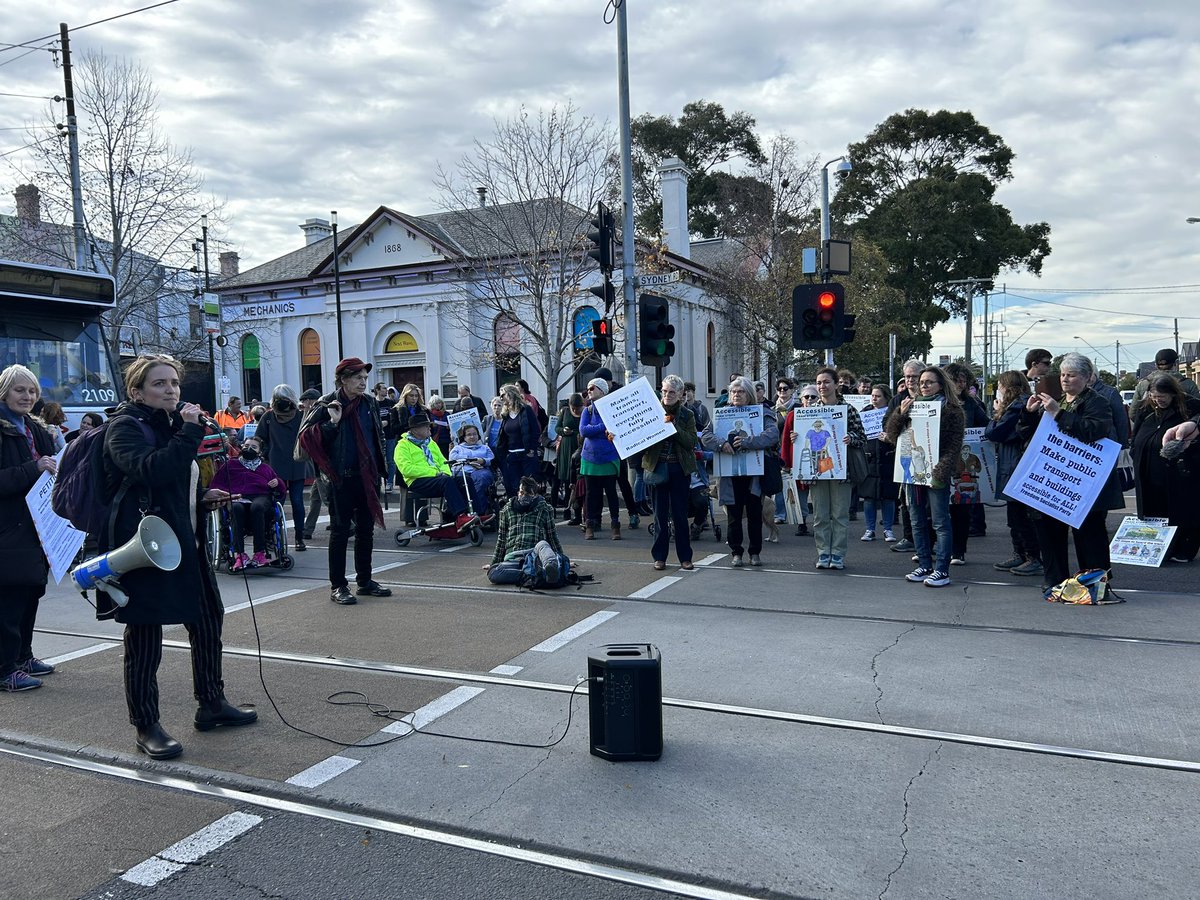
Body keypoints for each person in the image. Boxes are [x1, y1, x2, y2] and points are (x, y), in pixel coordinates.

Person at [98, 354, 257, 758]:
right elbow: (152, 471)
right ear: (137, 391)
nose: (171, 390)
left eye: (174, 383)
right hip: (144, 550)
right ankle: (146, 725)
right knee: (145, 639)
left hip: (185, 544)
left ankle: (211, 703)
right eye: (160, 384)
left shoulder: (171, 426)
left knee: (207, 621)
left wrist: (201, 499)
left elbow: (171, 485)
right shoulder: (123, 428)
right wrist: (187, 432)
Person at [1016, 352, 1123, 591]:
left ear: (1087, 378)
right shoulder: (1058, 400)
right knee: (1049, 530)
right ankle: (1055, 581)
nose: (1065, 380)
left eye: (1071, 375)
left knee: (1090, 535)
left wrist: (1058, 413)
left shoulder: (1097, 401)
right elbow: (1031, 436)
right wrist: (1029, 414)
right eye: (1063, 374)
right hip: (1056, 480)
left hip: (1084, 482)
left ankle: (1095, 585)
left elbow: (1093, 431)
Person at [298, 357, 391, 606]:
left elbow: (376, 437)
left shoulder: (369, 402)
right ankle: (338, 585)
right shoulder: (327, 403)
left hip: (367, 476)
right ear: (343, 379)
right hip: (339, 478)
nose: (363, 383)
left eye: (365, 378)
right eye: (358, 378)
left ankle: (365, 581)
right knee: (339, 533)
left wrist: (381, 469)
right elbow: (306, 440)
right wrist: (332, 423)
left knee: (365, 531)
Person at [0, 365, 58, 692]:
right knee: (8, 599)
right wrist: (32, 468)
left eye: (32, 391)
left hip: (38, 526)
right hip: (9, 527)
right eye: (19, 390)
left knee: (31, 592)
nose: (27, 396)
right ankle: (5, 668)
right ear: (4, 392)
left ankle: (23, 656)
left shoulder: (36, 429)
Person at [886, 365, 965, 588]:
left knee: (940, 522)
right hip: (913, 472)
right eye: (922, 383)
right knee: (917, 520)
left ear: (941, 385)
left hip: (936, 472)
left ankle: (942, 569)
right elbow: (893, 436)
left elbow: (954, 445)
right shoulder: (911, 406)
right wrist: (900, 414)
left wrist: (942, 469)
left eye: (929, 382)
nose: (924, 386)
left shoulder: (951, 409)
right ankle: (924, 564)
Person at [702, 375, 779, 567]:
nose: (736, 395)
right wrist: (722, 444)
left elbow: (772, 435)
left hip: (753, 475)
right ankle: (736, 552)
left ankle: (755, 553)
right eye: (733, 392)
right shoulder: (722, 413)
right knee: (734, 516)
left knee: (754, 515)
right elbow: (706, 436)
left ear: (749, 394)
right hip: (730, 475)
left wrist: (748, 442)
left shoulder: (763, 412)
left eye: (741, 391)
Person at [800, 368, 865, 570]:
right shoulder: (809, 411)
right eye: (819, 382)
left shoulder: (849, 410)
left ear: (837, 384)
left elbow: (862, 438)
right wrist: (796, 438)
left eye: (826, 382)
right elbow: (802, 439)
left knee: (839, 515)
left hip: (841, 470)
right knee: (820, 515)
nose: (822, 386)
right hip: (816, 470)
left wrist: (850, 438)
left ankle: (837, 554)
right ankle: (823, 553)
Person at [1131, 374, 1200, 562]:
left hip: (1180, 469)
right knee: (1155, 507)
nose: (1157, 400)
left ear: (1172, 393)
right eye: (1153, 396)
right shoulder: (1146, 408)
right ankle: (1160, 548)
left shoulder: (1190, 405)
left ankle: (1184, 549)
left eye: (1161, 396)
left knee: (1182, 508)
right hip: (1149, 468)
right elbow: (1136, 431)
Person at [985, 370, 1042, 576]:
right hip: (1013, 462)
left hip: (1016, 463)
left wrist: (996, 412)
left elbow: (994, 433)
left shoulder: (1016, 406)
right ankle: (1021, 553)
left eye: (1000, 385)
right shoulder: (1021, 403)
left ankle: (1032, 557)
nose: (998, 390)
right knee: (1015, 515)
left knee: (1021, 516)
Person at [642, 374, 698, 571]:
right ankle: (659, 557)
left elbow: (691, 442)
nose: (667, 395)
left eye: (672, 392)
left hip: (679, 469)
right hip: (657, 468)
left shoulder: (687, 415)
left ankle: (685, 557)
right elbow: (638, 438)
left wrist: (673, 427)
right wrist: (616, 436)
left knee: (680, 515)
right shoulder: (650, 410)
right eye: (664, 391)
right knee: (659, 515)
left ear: (681, 394)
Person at [208, 435, 283, 571]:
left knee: (257, 507)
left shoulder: (265, 468)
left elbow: (280, 488)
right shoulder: (230, 465)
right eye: (247, 446)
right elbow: (216, 484)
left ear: (259, 452)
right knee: (236, 508)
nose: (249, 449)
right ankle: (240, 555)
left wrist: (277, 482)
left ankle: (259, 553)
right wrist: (226, 494)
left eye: (253, 447)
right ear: (241, 447)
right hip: (237, 497)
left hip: (260, 496)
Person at [395, 412, 479, 523]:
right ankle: (460, 516)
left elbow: (443, 462)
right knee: (446, 481)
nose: (429, 428)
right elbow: (407, 469)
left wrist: (445, 473)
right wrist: (435, 473)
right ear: (415, 430)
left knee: (465, 480)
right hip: (417, 481)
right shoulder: (402, 445)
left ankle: (477, 513)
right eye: (425, 426)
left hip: (438, 478)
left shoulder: (431, 443)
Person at [944, 362, 989, 563]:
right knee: (936, 510)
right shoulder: (938, 401)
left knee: (961, 509)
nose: (960, 384)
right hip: (940, 462)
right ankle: (936, 547)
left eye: (963, 380)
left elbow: (985, 425)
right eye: (956, 379)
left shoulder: (971, 404)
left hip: (963, 464)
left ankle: (958, 550)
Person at [255, 384, 308, 551]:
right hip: (294, 463)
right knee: (294, 502)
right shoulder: (299, 415)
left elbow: (259, 438)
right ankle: (298, 538)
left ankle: (275, 536)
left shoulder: (269, 416)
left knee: (279, 502)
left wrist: (264, 453)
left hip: (279, 464)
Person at [484, 476, 564, 579]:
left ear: (535, 495)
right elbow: (501, 540)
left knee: (543, 544)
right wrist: (493, 564)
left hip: (534, 554)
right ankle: (535, 574)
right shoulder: (506, 510)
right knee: (493, 574)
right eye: (521, 493)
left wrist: (563, 558)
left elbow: (552, 537)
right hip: (513, 557)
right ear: (518, 492)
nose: (524, 496)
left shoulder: (545, 509)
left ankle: (552, 566)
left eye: (528, 494)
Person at [884, 359, 925, 554]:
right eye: (907, 376)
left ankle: (929, 542)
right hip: (903, 454)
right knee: (906, 500)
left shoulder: (932, 397)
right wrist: (900, 414)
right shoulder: (897, 399)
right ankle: (909, 537)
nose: (910, 381)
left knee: (928, 504)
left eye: (914, 377)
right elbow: (887, 425)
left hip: (927, 455)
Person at [578, 377, 622, 540]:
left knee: (611, 493)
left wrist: (594, 429)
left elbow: (615, 428)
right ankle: (590, 524)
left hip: (609, 457)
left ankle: (615, 525)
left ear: (603, 391)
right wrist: (603, 428)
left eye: (592, 388)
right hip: (589, 457)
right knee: (591, 493)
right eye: (588, 389)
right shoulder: (587, 410)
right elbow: (583, 431)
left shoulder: (613, 409)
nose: (588, 392)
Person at [860, 384, 898, 542]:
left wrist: (890, 438)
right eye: (873, 396)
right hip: (870, 458)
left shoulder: (893, 414)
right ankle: (870, 529)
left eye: (878, 396)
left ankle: (888, 529)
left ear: (886, 398)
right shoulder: (865, 413)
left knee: (888, 497)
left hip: (888, 458)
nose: (874, 399)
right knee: (869, 497)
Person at [495, 383, 541, 497]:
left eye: (502, 395)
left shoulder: (526, 410)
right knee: (513, 486)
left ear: (510, 394)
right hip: (511, 456)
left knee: (528, 487)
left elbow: (535, 430)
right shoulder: (505, 414)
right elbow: (503, 436)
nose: (501, 399)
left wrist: (531, 449)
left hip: (526, 455)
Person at [298, 388, 329, 540]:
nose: (302, 404)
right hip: (318, 461)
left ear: (310, 401)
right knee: (315, 498)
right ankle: (307, 530)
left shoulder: (318, 414)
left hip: (321, 462)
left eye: (304, 401)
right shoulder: (312, 413)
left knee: (326, 498)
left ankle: (350, 524)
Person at [449, 422, 495, 515]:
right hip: (463, 471)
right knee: (460, 480)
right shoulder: (458, 448)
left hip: (480, 470)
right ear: (464, 437)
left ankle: (478, 511)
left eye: (474, 434)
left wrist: (482, 460)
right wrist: (470, 461)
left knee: (481, 479)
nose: (472, 437)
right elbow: (452, 458)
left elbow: (491, 458)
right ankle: (462, 511)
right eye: (469, 435)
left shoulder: (484, 448)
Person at [1134, 348, 1200, 403]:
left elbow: (1133, 413)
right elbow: (1198, 408)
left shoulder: (1143, 384)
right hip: (1183, 418)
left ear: (1156, 365)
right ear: (1176, 363)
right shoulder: (1188, 384)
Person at [553, 393, 582, 513]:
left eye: (576, 408)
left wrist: (574, 432)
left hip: (577, 445)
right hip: (565, 447)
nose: (574, 410)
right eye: (572, 407)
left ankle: (574, 508)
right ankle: (566, 509)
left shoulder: (585, 412)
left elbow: (584, 429)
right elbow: (557, 428)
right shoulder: (565, 412)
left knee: (574, 479)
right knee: (564, 477)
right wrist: (563, 431)